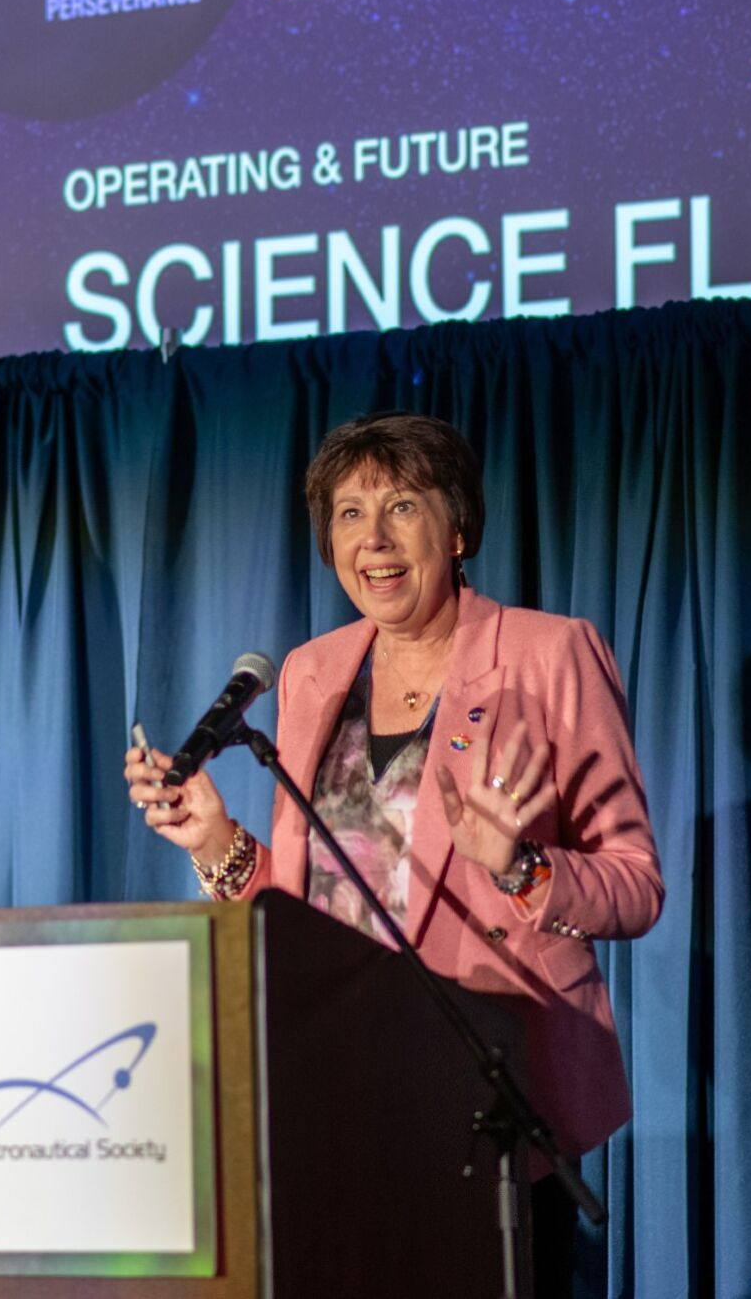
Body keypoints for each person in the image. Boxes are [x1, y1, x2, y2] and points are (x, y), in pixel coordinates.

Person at [124, 411, 663, 1295]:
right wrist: (217, 842)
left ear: (459, 530)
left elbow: (635, 887)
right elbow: (322, 906)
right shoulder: (309, 673)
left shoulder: (549, 654)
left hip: (492, 1103)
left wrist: (522, 867)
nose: (371, 538)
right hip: (336, 1095)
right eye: (346, 514)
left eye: (401, 506)